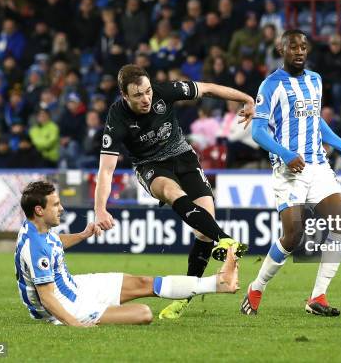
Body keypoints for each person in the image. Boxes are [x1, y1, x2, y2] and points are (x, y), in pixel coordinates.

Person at [95, 65, 252, 320]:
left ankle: (184, 299)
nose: (146, 99)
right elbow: (106, 171)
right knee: (169, 190)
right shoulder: (117, 118)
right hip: (151, 167)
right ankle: (227, 239)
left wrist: (246, 98)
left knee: (203, 231)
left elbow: (209, 89)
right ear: (125, 96)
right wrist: (100, 209)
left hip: (184, 157)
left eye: (147, 92)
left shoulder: (164, 92)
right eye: (138, 96)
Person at [240, 30, 341, 317]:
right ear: (281, 49)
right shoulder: (270, 86)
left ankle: (318, 296)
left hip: (318, 166)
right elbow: (257, 130)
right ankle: (256, 288)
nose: (300, 51)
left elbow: (316, 121)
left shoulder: (315, 80)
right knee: (293, 235)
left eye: (304, 47)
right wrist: (285, 154)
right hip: (289, 169)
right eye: (293, 47)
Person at [15, 181, 239, 327]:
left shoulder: (36, 228)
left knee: (142, 281)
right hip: (65, 305)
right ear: (39, 210)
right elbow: (46, 297)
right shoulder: (35, 247)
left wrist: (83, 235)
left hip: (73, 285)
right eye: (55, 204)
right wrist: (74, 323)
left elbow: (54, 243)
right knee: (144, 313)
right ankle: (218, 283)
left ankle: (218, 283)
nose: (61, 208)